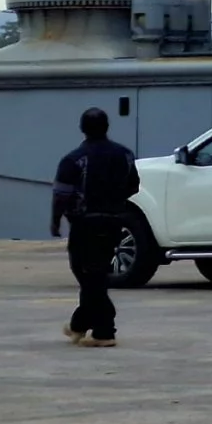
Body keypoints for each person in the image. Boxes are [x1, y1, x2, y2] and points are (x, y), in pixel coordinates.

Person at [50, 106, 141, 348]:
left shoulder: (73, 159)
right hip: (114, 221)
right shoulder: (125, 155)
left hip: (85, 223)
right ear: (107, 127)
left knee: (86, 273)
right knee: (96, 272)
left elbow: (62, 194)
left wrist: (56, 220)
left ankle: (103, 330)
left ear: (82, 129)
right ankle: (80, 325)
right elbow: (134, 186)